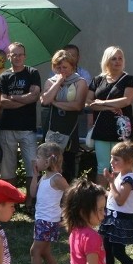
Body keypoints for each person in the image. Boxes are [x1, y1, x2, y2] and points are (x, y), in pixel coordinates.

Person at [14, 143, 68, 264]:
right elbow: (32, 193)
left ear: (47, 161)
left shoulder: (57, 178)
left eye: (38, 157)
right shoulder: (44, 176)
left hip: (49, 221)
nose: (35, 160)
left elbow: (70, 193)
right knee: (44, 252)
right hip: (41, 220)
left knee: (35, 250)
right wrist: (35, 175)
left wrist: (65, 212)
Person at [86, 46, 133, 185]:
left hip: (121, 130)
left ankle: (119, 199)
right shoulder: (98, 80)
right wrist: (110, 107)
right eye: (113, 58)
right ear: (107, 60)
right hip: (102, 129)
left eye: (120, 58)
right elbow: (89, 103)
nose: (117, 61)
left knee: (121, 166)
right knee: (102, 166)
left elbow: (126, 100)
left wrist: (103, 102)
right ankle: (100, 199)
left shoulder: (129, 79)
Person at [0, 42, 41, 200]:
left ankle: (29, 202)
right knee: (7, 169)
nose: (17, 57)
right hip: (7, 127)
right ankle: (11, 201)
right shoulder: (3, 76)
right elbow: (2, 102)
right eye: (14, 54)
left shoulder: (32, 73)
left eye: (20, 54)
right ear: (8, 56)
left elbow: (35, 96)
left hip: (27, 128)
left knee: (32, 168)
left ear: (25, 56)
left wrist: (13, 97)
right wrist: (25, 99)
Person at [41, 49, 88, 182]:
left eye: (65, 67)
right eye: (58, 67)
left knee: (68, 166)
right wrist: (58, 83)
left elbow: (77, 105)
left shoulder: (80, 82)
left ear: (72, 67)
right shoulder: (51, 82)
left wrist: (55, 103)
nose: (62, 70)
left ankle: (67, 198)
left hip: (70, 128)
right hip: (53, 126)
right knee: (50, 164)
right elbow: (45, 101)